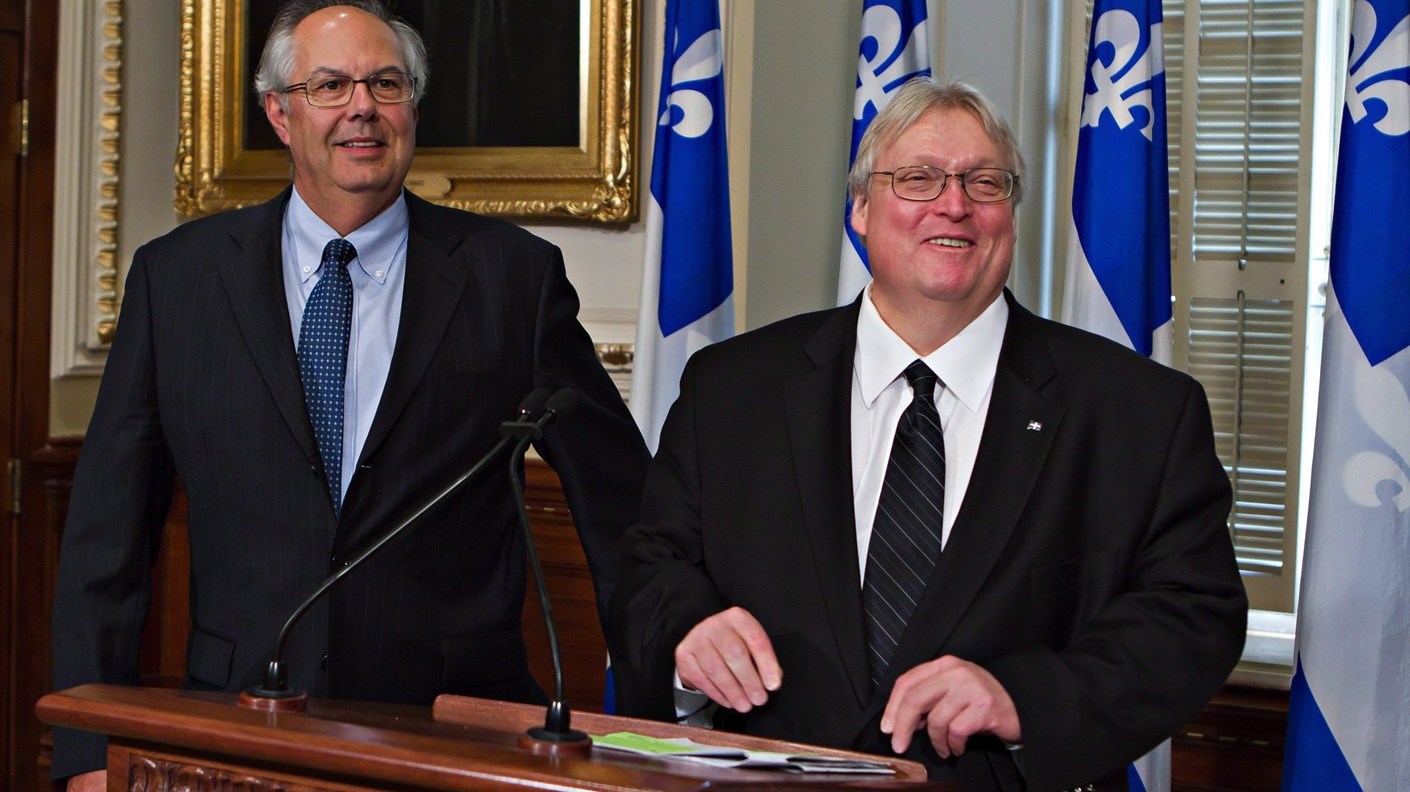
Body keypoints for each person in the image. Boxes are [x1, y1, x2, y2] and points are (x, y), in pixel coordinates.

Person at [50, 1, 649, 787]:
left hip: (453, 735)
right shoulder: (179, 280)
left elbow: (622, 509)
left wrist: (651, 724)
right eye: (330, 85)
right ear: (279, 113)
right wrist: (90, 756)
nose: (362, 108)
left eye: (386, 84)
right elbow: (107, 539)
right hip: (238, 729)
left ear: (412, 108)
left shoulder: (513, 278)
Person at [611, 78, 1247, 790]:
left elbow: (1193, 617)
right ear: (860, 208)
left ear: (1011, 211)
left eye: (985, 182)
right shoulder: (731, 388)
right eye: (917, 178)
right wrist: (687, 632)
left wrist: (1026, 698)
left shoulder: (1138, 411)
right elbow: (651, 564)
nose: (954, 204)